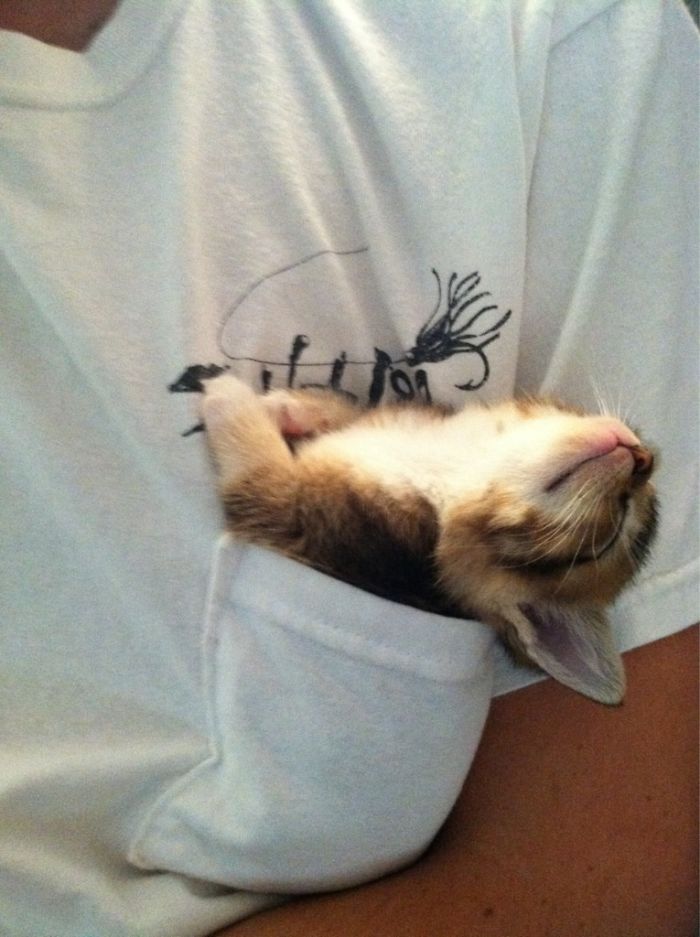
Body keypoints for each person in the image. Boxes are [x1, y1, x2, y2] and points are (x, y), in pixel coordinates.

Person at [1, 2, 697, 936]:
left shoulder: (559, 33)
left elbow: (614, 866)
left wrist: (235, 408)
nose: (636, 460)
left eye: (615, 511)